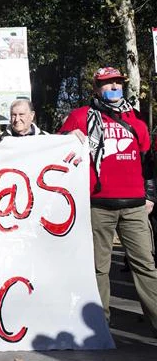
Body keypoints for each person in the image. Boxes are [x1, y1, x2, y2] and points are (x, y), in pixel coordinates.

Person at [58, 66, 157, 334]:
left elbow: (147, 160)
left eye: (117, 83)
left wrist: (150, 195)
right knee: (98, 268)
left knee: (146, 266)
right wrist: (67, 138)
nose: (113, 88)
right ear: (96, 88)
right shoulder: (80, 117)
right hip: (98, 205)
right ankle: (99, 326)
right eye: (107, 84)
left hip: (135, 206)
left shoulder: (135, 119)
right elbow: (53, 149)